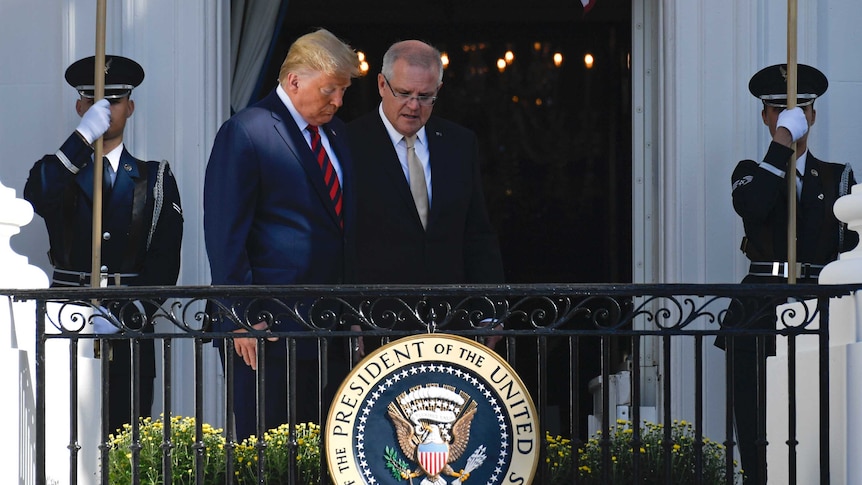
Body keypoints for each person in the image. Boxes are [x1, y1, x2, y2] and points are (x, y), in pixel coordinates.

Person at [203, 28, 360, 439]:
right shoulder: (247, 130)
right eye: (330, 90)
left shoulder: (338, 135)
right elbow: (225, 233)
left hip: (333, 326)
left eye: (343, 92)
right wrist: (239, 318)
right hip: (267, 331)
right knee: (271, 455)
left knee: (330, 453)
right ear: (294, 81)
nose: (338, 102)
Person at [24, 55, 184, 434]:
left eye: (113, 101)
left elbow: (165, 261)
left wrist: (131, 314)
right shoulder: (55, 169)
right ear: (81, 107)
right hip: (66, 319)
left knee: (126, 438)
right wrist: (81, 140)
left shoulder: (153, 177)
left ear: (130, 106)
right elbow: (37, 197)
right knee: (64, 434)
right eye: (95, 102)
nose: (105, 110)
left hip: (130, 326)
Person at [724, 63, 857, 484]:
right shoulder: (749, 172)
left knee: (823, 424)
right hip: (760, 309)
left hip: (821, 307)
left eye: (799, 110)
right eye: (778, 111)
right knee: (757, 428)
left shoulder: (839, 178)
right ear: (766, 116)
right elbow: (755, 207)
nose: (791, 117)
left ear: (813, 115)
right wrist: (782, 143)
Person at [347, 40, 504, 354]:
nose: (414, 106)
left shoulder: (459, 143)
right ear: (381, 84)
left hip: (451, 324)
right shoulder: (348, 143)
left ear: (439, 90)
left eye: (425, 96)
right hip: (377, 324)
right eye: (404, 94)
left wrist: (491, 311)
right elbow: (339, 238)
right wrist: (348, 316)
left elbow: (476, 232)